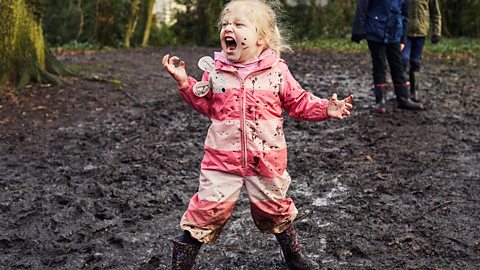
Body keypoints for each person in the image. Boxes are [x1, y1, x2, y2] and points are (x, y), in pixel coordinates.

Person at [162, 0, 353, 269]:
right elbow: (206, 104)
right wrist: (185, 82)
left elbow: (297, 102)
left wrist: (325, 107)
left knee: (275, 208)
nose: (229, 28)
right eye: (226, 24)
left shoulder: (277, 71)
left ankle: (294, 257)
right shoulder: (215, 72)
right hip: (221, 160)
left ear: (261, 38)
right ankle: (179, 265)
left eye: (239, 24)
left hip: (266, 159)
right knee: (205, 211)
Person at [351, 0, 424, 113]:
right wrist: (358, 30)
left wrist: (403, 38)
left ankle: (403, 98)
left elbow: (405, 14)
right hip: (375, 30)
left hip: (394, 32)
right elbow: (362, 7)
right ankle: (380, 101)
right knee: (379, 65)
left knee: (397, 65)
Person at [402, 0, 442, 101]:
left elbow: (436, 13)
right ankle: (401, 90)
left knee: (416, 62)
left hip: (421, 32)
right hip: (405, 32)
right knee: (403, 60)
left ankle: (414, 92)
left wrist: (437, 31)